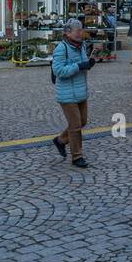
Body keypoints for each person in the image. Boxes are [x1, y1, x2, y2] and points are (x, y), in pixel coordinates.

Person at [51, 18, 94, 168]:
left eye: (81, 30)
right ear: (68, 33)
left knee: (82, 122)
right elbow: (58, 71)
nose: (80, 33)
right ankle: (77, 157)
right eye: (77, 31)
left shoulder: (80, 46)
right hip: (67, 94)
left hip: (81, 91)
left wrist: (88, 64)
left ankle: (61, 140)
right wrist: (79, 66)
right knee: (75, 126)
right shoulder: (61, 48)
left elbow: (81, 65)